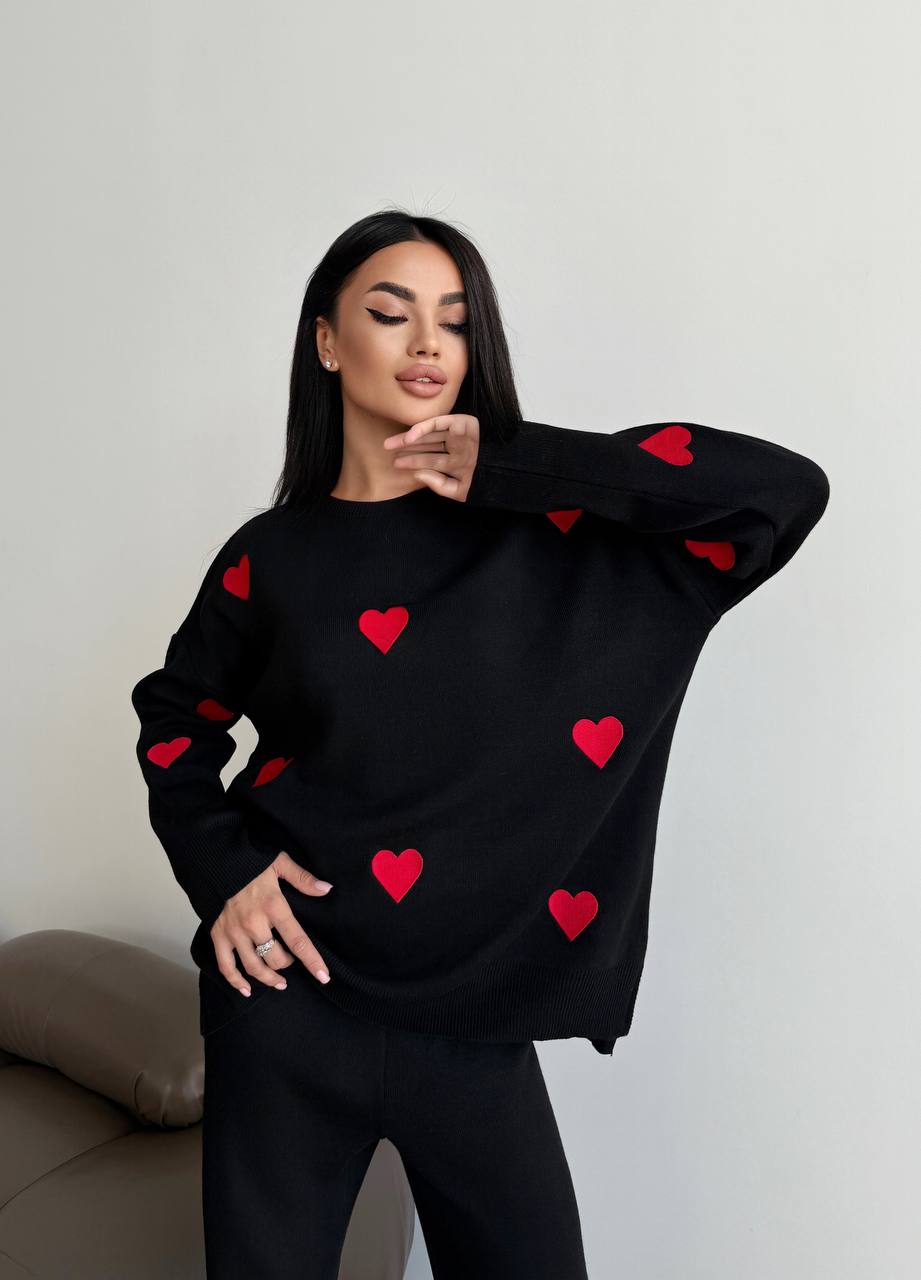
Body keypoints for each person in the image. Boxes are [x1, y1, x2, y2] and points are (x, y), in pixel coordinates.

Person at [130, 209, 830, 1278]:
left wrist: (518, 465)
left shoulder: (559, 539)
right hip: (285, 1003)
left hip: (472, 1026)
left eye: (454, 321)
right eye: (390, 313)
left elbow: (780, 492)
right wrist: (224, 869)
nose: (426, 343)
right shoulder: (271, 556)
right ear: (327, 342)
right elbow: (174, 723)